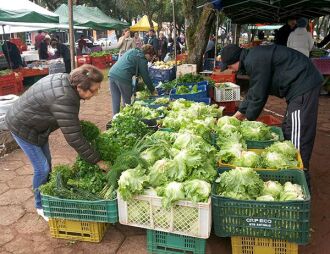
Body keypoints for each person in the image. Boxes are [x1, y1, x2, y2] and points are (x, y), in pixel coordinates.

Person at [5, 65, 108, 221]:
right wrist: (98, 161)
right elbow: (74, 138)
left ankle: (46, 197)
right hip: (22, 127)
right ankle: (40, 206)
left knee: (47, 164)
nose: (96, 94)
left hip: (36, 127)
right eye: (93, 91)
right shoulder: (65, 98)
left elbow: (69, 123)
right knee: (43, 168)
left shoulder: (66, 82)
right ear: (79, 86)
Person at [220, 44, 323, 176]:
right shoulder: (252, 58)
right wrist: (237, 116)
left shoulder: (254, 60)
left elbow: (259, 95)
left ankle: (300, 173)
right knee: (288, 126)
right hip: (296, 88)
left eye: (230, 66)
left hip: (303, 84)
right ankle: (291, 166)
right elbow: (253, 91)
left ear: (237, 60)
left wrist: (247, 122)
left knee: (298, 131)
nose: (231, 70)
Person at [108, 45, 156, 116]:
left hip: (112, 73)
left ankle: (115, 119)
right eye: (151, 57)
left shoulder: (133, 50)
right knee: (127, 103)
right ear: (147, 54)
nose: (151, 59)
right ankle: (126, 118)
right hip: (123, 77)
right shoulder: (142, 59)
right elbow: (146, 77)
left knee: (115, 100)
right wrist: (152, 90)